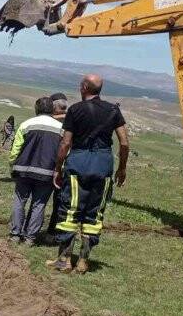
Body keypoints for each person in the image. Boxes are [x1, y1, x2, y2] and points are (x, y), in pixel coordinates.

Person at [48, 74, 129, 274]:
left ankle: (64, 259)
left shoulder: (75, 110)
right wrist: (122, 168)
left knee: (70, 211)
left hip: (78, 164)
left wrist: (58, 168)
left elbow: (65, 142)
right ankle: (83, 261)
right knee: (94, 214)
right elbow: (124, 142)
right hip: (103, 166)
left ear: (84, 87)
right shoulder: (113, 110)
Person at [8, 97, 62, 245]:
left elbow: (15, 150)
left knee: (19, 201)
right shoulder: (60, 129)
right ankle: (30, 238)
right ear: (52, 110)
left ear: (36, 109)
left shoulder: (26, 125)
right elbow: (64, 152)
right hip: (47, 174)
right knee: (39, 204)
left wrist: (12, 165)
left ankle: (15, 234)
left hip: (23, 171)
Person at [45, 94, 71, 238]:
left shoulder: (50, 121)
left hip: (53, 165)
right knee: (59, 201)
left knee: (40, 200)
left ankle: (49, 232)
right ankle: (53, 232)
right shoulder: (73, 119)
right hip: (62, 165)